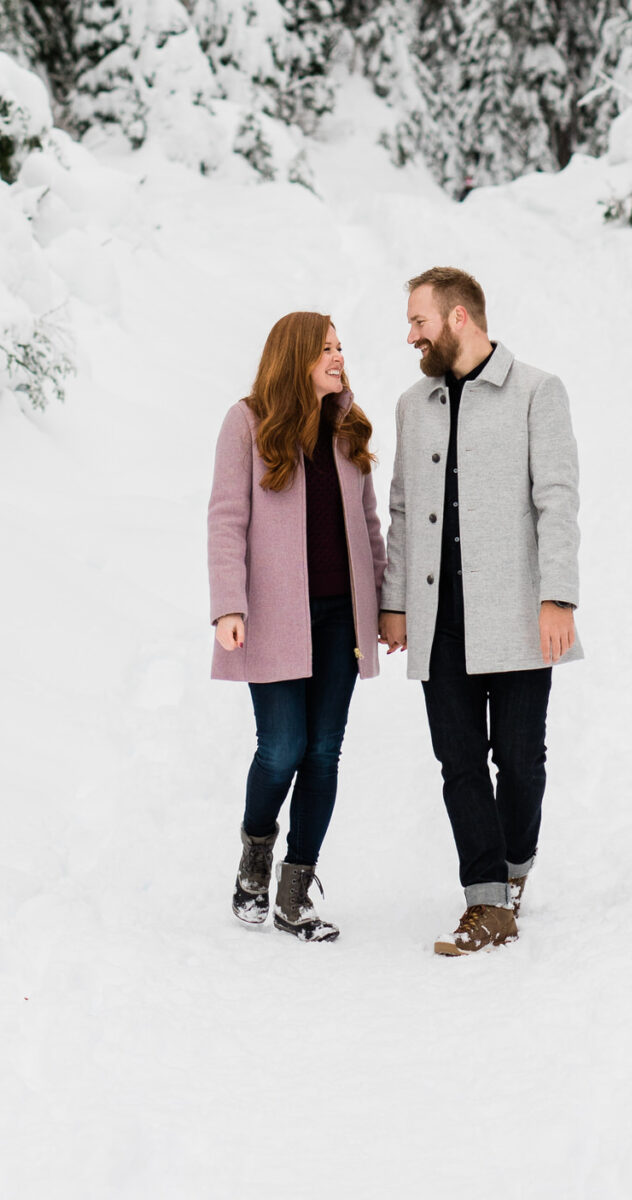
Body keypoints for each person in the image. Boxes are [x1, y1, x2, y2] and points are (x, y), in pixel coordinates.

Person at [378, 264, 581, 956]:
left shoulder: (536, 392)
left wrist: (558, 597)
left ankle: (515, 867)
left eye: (418, 321)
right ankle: (486, 900)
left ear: (458, 318)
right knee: (459, 763)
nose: (411, 336)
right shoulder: (413, 404)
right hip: (440, 620)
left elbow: (556, 499)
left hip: (521, 614)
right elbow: (402, 509)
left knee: (520, 762)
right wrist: (396, 603)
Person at [208, 311, 385, 942]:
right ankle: (255, 861)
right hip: (277, 617)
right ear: (296, 357)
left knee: (323, 752)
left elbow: (368, 526)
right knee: (281, 748)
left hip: (343, 619)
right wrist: (229, 604)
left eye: (341, 347)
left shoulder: (348, 426)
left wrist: (385, 604)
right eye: (326, 349)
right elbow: (227, 518)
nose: (338, 357)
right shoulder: (249, 421)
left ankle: (294, 891)